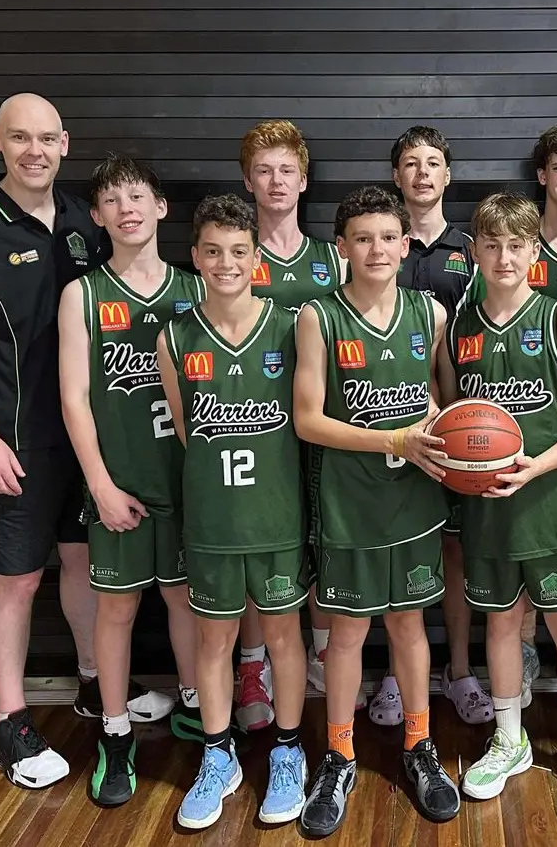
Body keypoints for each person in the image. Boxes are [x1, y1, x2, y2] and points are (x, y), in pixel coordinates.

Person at [0, 93, 164, 789]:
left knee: (81, 562)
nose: (34, 149)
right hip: (16, 435)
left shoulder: (83, 220)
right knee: (18, 574)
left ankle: (94, 686)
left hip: (87, 435)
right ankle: (9, 723)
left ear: (65, 143)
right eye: (19, 137)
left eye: (46, 138)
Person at [441, 193, 557, 807]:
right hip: (488, 505)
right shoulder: (458, 327)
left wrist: (536, 465)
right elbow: (449, 417)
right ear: (473, 253)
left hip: (549, 500)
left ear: (534, 251)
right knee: (501, 623)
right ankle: (510, 737)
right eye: (490, 245)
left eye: (516, 245)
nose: (503, 257)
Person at [294, 184, 461, 837]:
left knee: (409, 627)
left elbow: (445, 406)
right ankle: (339, 755)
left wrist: (441, 430)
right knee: (348, 633)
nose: (376, 249)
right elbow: (308, 420)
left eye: (387, 237)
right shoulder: (319, 316)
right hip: (349, 502)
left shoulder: (431, 313)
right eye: (362, 238)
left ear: (406, 243)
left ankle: (419, 746)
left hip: (414, 501)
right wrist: (390, 439)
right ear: (342, 247)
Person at [159, 194, 311, 829]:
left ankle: (288, 750)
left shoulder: (291, 325)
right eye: (213, 252)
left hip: (276, 516)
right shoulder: (174, 335)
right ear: (195, 258)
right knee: (215, 640)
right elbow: (191, 431)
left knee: (282, 635)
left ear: (257, 260)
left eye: (239, 252)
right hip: (214, 521)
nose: (226, 263)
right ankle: (218, 756)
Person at [57, 157, 203, 806]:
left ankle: (203, 713)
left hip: (186, 483)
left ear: (161, 207)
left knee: (185, 602)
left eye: (137, 195)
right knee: (116, 608)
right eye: (112, 200)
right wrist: (100, 485)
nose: (127, 208)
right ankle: (115, 732)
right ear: (97, 216)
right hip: (117, 484)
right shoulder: (82, 294)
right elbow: (74, 399)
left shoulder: (196, 287)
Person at [236, 119, 358, 730]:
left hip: (319, 425)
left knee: (317, 540)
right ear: (247, 181)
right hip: (250, 425)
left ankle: (320, 652)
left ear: (304, 180)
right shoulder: (234, 257)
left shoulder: (328, 261)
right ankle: (253, 663)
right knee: (264, 548)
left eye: (287, 170)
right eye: (264, 170)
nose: (276, 181)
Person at [381, 125, 492, 728]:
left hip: (456, 427)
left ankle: (458, 671)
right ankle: (401, 677)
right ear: (396, 176)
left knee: (452, 554)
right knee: (396, 552)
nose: (422, 174)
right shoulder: (381, 244)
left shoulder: (470, 249)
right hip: (386, 432)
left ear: (448, 176)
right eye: (410, 164)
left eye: (433, 164)